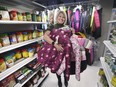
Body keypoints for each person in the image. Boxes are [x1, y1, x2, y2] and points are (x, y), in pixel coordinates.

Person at [42, 10, 75, 87]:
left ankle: (65, 79)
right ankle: (59, 80)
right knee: (57, 66)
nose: (61, 18)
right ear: (57, 17)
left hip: (66, 51)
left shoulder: (67, 27)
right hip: (56, 50)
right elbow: (45, 36)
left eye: (63, 17)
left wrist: (73, 31)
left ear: (65, 19)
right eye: (60, 16)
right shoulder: (52, 26)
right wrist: (55, 45)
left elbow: (69, 37)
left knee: (65, 65)